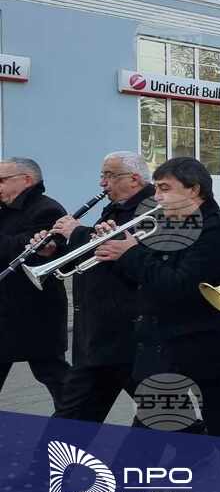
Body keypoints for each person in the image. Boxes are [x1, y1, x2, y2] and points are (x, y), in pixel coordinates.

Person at [92, 156, 220, 492]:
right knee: (147, 438)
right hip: (163, 346)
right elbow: (144, 281)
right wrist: (113, 253)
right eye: (156, 188)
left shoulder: (216, 230)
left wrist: (131, 253)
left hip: (203, 347)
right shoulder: (166, 224)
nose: (156, 196)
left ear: (194, 190)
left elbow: (179, 285)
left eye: (164, 188)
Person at [35, 152, 156, 422]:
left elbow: (125, 257)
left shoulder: (149, 209)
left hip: (127, 332)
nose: (102, 183)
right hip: (99, 331)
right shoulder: (116, 207)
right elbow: (94, 254)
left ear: (134, 179)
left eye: (109, 176)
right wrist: (53, 250)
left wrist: (77, 232)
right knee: (72, 416)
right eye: (102, 176)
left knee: (162, 413)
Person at [0, 157, 68, 408]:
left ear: (26, 180)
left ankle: (77, 419)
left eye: (2, 180)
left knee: (53, 374)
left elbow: (26, 249)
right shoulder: (5, 209)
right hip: (6, 308)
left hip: (34, 310)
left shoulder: (47, 210)